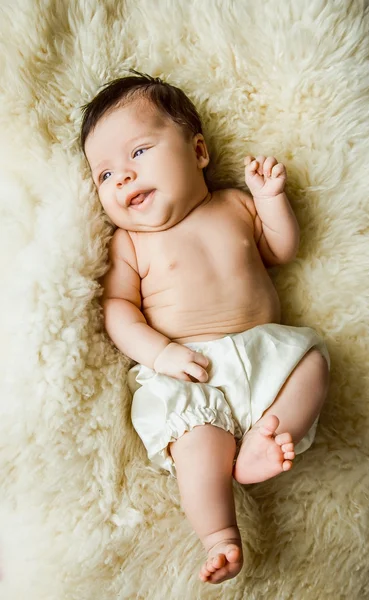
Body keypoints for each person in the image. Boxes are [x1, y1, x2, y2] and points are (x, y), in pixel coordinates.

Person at [80, 71, 330, 585]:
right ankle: (220, 535)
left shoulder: (235, 205)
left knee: (314, 363)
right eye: (103, 175)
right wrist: (160, 355)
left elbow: (280, 250)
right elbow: (118, 310)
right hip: (189, 370)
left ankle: (271, 434)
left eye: (138, 152)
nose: (121, 177)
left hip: (265, 357)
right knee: (196, 442)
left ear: (198, 152)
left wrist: (270, 199)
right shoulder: (130, 243)